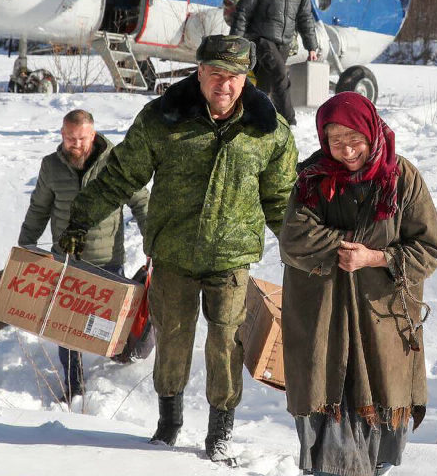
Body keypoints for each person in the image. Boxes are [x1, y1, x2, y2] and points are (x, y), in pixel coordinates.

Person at [63, 34, 298, 463]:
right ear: (199, 72)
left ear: (246, 79)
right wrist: (81, 218)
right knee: (171, 342)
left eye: (232, 76)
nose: (222, 85)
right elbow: (120, 175)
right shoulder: (163, 119)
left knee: (226, 345)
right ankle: (168, 424)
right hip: (172, 257)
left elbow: (281, 201)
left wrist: (300, 255)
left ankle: (219, 433)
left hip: (230, 261)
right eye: (213, 74)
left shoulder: (269, 133)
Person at [278, 92, 437, 476]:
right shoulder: (312, 180)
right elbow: (294, 240)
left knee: (382, 420)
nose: (346, 149)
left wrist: (375, 257)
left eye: (354, 138)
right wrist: (346, 246)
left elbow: (430, 248)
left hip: (381, 321)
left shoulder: (401, 178)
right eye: (335, 140)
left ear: (371, 132)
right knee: (328, 418)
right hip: (325, 322)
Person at [18, 110, 150, 401]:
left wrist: (152, 238)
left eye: (80, 138)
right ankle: (73, 384)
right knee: (65, 325)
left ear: (93, 135)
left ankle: (120, 367)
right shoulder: (51, 166)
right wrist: (26, 245)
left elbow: (141, 202)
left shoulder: (116, 162)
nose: (74, 144)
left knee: (110, 326)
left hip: (107, 260)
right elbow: (39, 208)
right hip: (66, 260)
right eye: (68, 138)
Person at [230, 0, 320, 124]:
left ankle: (251, 117)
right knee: (280, 76)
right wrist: (236, 41)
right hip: (261, 38)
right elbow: (243, 12)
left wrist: (311, 46)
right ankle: (289, 120)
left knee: (265, 84)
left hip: (284, 42)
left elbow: (305, 17)